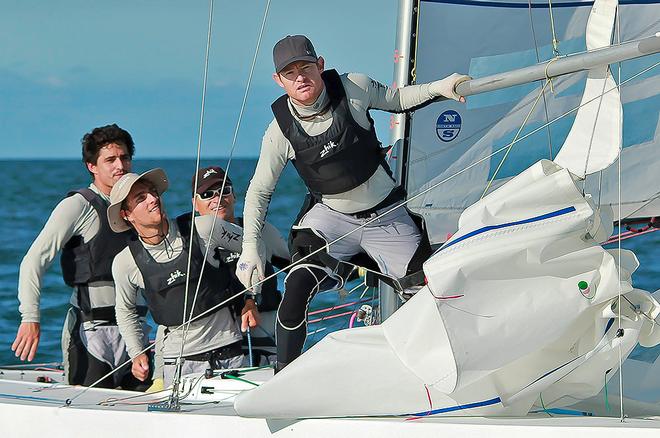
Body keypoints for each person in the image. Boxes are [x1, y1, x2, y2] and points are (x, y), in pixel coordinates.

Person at [236, 35, 469, 371]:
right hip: (332, 218)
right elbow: (259, 192)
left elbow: (399, 98)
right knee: (296, 287)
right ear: (279, 80)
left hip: (386, 217)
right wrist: (249, 246)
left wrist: (440, 87)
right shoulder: (279, 132)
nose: (300, 77)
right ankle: (284, 379)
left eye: (305, 67)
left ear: (320, 65)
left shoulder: (354, 88)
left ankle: (443, 370)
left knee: (429, 295)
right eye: (290, 72)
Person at [109, 168, 288, 387]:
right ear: (126, 215)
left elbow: (254, 245)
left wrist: (251, 298)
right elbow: (125, 310)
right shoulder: (124, 262)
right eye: (141, 198)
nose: (153, 199)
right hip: (179, 362)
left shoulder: (203, 228)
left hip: (229, 352)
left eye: (153, 192)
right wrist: (137, 353)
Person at [12, 124, 149, 389]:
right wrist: (30, 317)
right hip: (91, 332)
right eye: (110, 159)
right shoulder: (78, 205)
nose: (120, 165)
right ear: (92, 166)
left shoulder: (140, 207)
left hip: (137, 332)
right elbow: (33, 261)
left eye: (125, 158)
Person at [192, 166, 289, 365]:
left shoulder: (261, 232)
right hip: (218, 347)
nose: (218, 199)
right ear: (195, 203)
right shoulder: (191, 242)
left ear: (234, 196)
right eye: (208, 194)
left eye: (224, 191)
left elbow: (296, 267)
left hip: (266, 340)